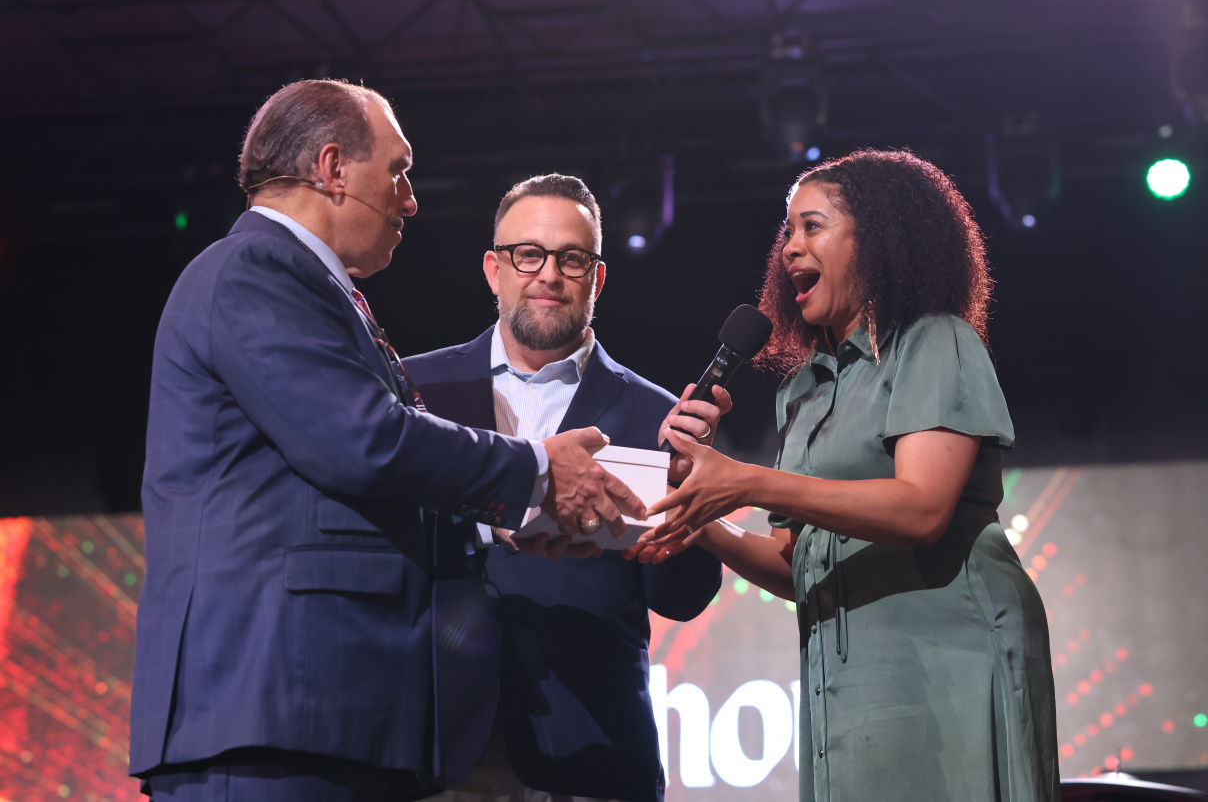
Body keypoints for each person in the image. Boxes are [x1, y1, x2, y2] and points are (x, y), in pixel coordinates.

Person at [129, 80, 644, 801]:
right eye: (398, 171)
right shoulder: (255, 269)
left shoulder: (312, 286)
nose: (411, 200)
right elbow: (362, 441)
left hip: (315, 713)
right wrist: (535, 471)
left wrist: (502, 528)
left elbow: (344, 481)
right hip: (268, 705)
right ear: (333, 168)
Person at [639, 150, 1060, 801]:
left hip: (953, 654)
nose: (789, 248)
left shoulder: (935, 340)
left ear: (879, 239)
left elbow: (923, 508)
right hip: (853, 680)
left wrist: (747, 482)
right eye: (787, 232)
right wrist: (697, 512)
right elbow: (795, 563)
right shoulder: (802, 391)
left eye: (812, 226)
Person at [403, 174, 724, 802]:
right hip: (436, 752)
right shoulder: (416, 394)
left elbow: (682, 600)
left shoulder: (656, 416)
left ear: (596, 279)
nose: (548, 274)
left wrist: (691, 496)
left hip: (593, 755)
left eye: (571, 259)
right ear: (494, 270)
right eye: (529, 254)